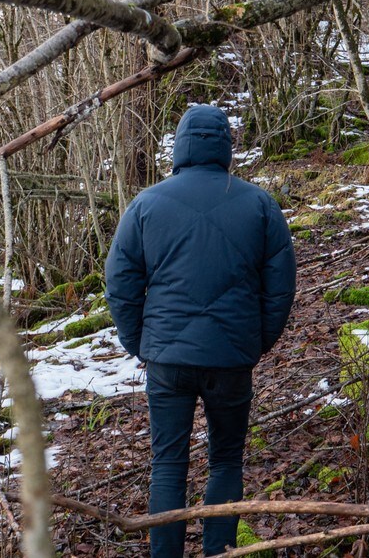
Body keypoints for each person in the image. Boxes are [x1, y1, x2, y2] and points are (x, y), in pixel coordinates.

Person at [105, 104, 297, 557]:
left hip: (167, 361)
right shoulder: (259, 203)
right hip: (231, 358)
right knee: (226, 461)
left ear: (181, 145)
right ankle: (218, 553)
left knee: (167, 466)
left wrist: (141, 343)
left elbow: (120, 282)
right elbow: (281, 287)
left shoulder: (147, 203)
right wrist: (253, 342)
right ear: (226, 147)